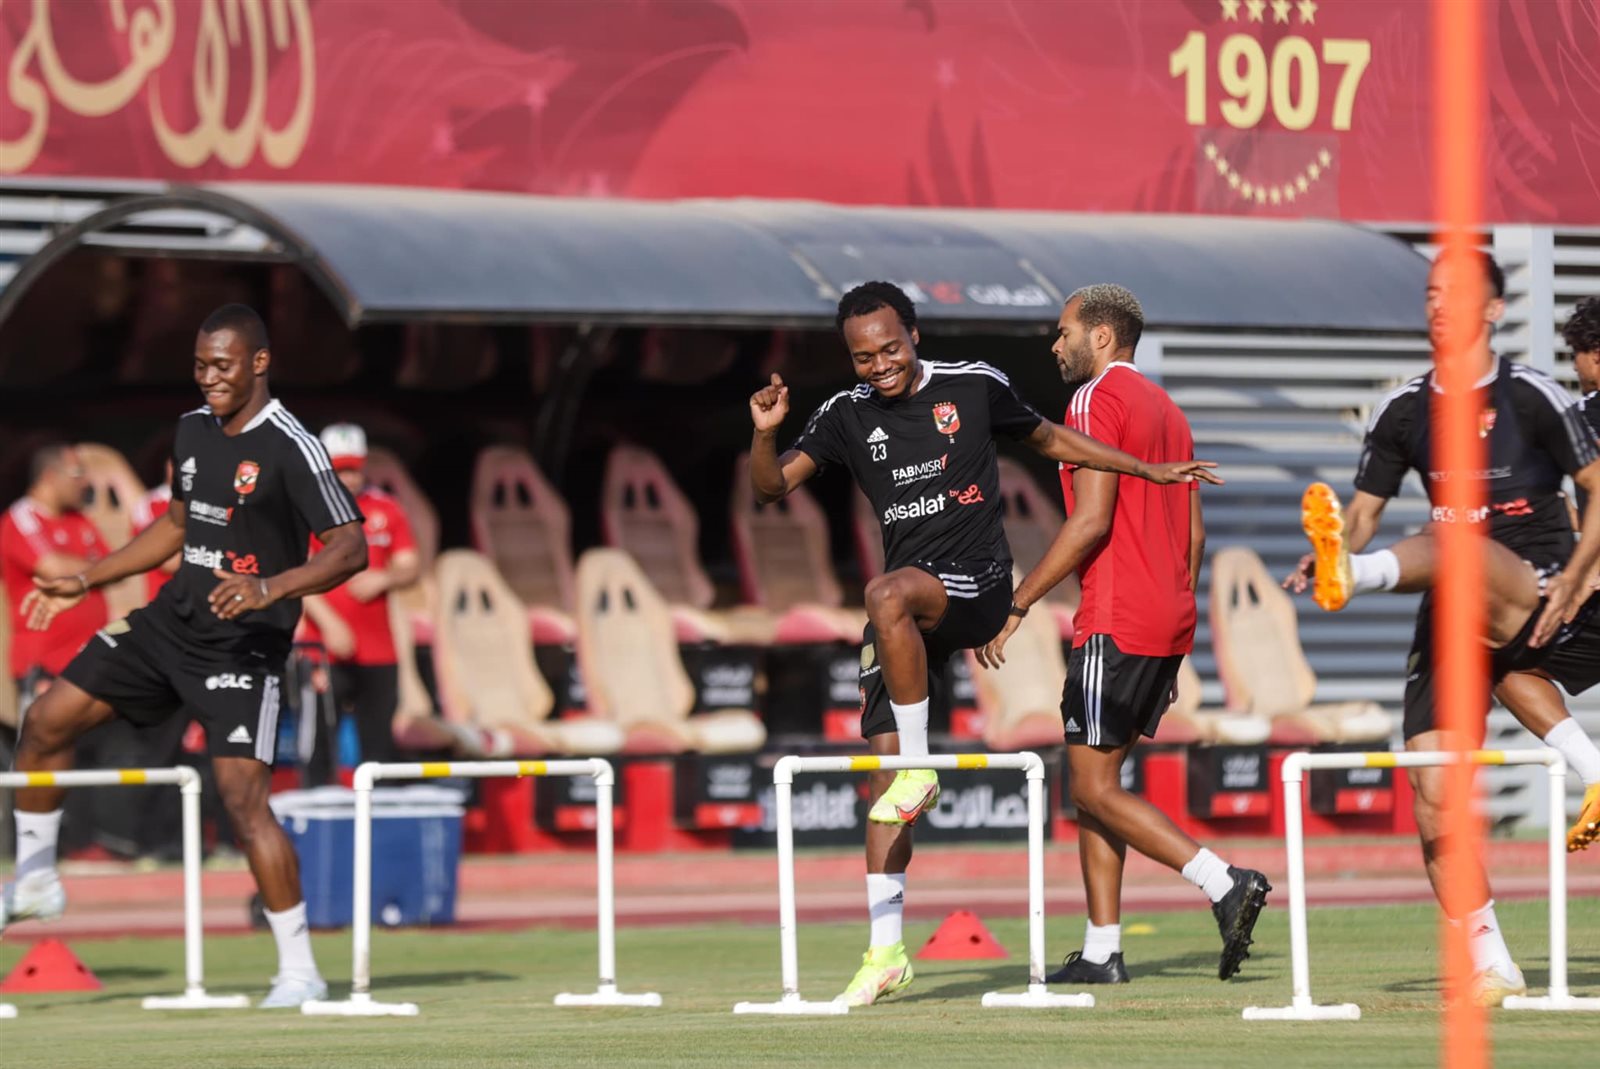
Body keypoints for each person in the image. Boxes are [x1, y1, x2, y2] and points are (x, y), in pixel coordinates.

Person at [749, 280, 1219, 1006]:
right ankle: (885, 952)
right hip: (907, 615)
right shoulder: (846, 412)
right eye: (864, 357)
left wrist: (1142, 469)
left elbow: (1052, 439)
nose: (880, 366)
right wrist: (764, 432)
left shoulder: (972, 385)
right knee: (885, 789)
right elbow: (771, 487)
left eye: (890, 349)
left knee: (884, 596)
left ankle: (918, 766)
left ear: (914, 335)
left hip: (976, 585)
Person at [1, 304, 368, 1009]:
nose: (208, 378)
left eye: (222, 365)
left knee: (244, 802)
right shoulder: (192, 428)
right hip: (168, 625)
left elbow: (351, 547)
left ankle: (300, 971)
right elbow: (175, 527)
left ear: (259, 362)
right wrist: (87, 578)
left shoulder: (293, 444)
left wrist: (270, 587)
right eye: (200, 365)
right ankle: (38, 878)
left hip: (243, 645)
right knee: (46, 720)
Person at [1286, 250, 1600, 1007]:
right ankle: (1492, 959)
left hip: (1535, 582)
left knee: (1455, 543)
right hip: (1454, 609)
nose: (1438, 304)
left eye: (1455, 293)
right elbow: (1364, 511)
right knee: (1432, 789)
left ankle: (1356, 579)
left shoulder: (1535, 396)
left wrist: (1582, 572)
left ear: (1493, 310)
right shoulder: (1402, 408)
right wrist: (1336, 547)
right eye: (1430, 292)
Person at [978, 285, 1270, 985]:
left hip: (1116, 613)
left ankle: (1223, 881)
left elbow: (1091, 521)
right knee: (1098, 784)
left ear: (1102, 336)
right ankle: (1102, 950)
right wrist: (1177, 640)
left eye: (1063, 332)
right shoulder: (1169, 410)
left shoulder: (1092, 400)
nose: (1055, 345)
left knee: (1091, 785)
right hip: (1163, 617)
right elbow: (1194, 536)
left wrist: (1019, 602)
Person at [298, 423, 420, 769]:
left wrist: (384, 578)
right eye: (339, 470)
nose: (348, 478)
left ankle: (376, 801)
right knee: (318, 744)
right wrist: (330, 625)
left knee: (379, 743)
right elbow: (296, 574)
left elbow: (410, 565)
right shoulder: (307, 508)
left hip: (379, 647)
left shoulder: (386, 508)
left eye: (353, 469)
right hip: (324, 647)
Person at [1, 445, 108, 714]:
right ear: (50, 475)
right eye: (77, 473)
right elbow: (52, 567)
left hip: (93, 659)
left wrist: (93, 569)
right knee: (43, 738)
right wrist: (96, 569)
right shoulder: (22, 517)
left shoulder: (78, 519)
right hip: (46, 666)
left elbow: (115, 566)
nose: (85, 482)